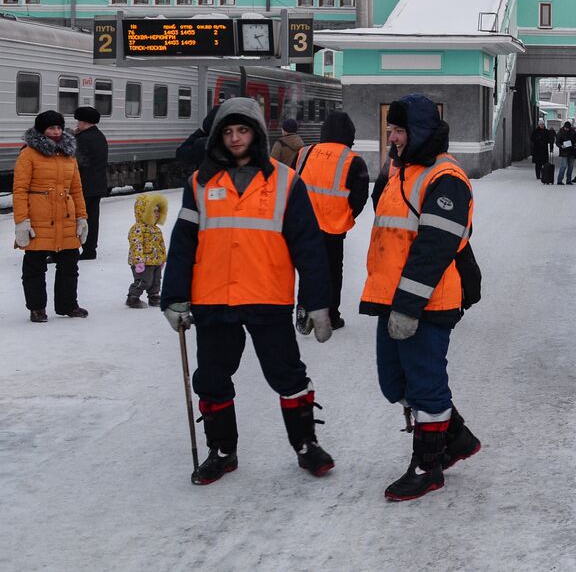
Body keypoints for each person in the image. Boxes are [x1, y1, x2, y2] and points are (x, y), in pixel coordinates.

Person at [161, 98, 336, 485]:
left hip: (267, 295)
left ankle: (306, 445)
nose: (235, 138)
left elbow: (308, 246)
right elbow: (183, 243)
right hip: (213, 297)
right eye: (227, 131)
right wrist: (172, 295)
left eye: (242, 130)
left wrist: (316, 301)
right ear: (218, 137)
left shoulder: (287, 181)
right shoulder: (200, 183)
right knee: (211, 378)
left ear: (256, 133)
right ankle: (222, 451)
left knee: (288, 375)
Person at [364, 93, 480, 501]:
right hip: (393, 296)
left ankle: (427, 466)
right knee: (394, 383)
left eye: (397, 130)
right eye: (390, 131)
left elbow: (433, 249)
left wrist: (409, 306)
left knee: (426, 386)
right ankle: (457, 437)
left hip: (427, 302)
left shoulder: (444, 178)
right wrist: (391, 168)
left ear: (418, 132)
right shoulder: (403, 170)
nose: (391, 137)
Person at [294, 110, 369, 329]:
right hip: (333, 228)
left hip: (303, 225)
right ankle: (330, 316)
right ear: (350, 135)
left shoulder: (304, 152)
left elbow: (290, 183)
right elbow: (360, 197)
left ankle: (304, 310)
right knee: (332, 272)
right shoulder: (353, 160)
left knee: (308, 268)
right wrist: (347, 215)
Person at [14, 111, 89, 322]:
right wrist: (21, 221)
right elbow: (20, 190)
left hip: (66, 217)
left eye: (58, 128)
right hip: (39, 219)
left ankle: (68, 305)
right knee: (34, 266)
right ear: (41, 130)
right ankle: (37, 308)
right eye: (51, 128)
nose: (55, 132)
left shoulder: (68, 154)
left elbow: (76, 189)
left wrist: (82, 217)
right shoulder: (28, 154)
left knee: (69, 265)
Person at [73, 106, 108, 260]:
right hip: (97, 185)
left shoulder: (82, 139)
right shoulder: (99, 136)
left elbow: (78, 162)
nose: (77, 124)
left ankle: (76, 249)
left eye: (79, 121)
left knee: (78, 219)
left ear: (85, 122)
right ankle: (90, 250)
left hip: (84, 186)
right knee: (93, 219)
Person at [125, 192, 168, 308]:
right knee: (144, 280)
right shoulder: (137, 229)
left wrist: (163, 259)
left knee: (156, 280)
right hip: (142, 263)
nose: (157, 214)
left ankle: (154, 296)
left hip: (156, 261)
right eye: (154, 211)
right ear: (144, 212)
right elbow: (136, 245)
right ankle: (133, 297)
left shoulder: (156, 229)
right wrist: (139, 261)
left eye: (158, 211)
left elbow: (161, 245)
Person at [530, 119, 554, 184]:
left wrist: (550, 142)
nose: (542, 125)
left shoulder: (546, 131)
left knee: (545, 164)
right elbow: (532, 139)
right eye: (541, 124)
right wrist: (537, 139)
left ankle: (544, 175)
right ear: (539, 125)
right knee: (538, 164)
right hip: (537, 150)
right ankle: (538, 175)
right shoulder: (535, 131)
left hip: (544, 150)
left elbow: (549, 139)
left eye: (543, 124)